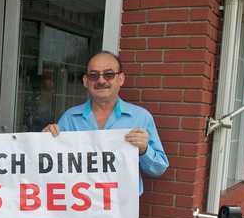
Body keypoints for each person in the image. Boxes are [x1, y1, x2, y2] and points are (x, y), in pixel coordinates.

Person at [44, 51, 168, 194]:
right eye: (93, 75)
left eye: (109, 75)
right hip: (79, 207)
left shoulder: (140, 117)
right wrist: (45, 142)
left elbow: (159, 168)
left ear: (121, 79)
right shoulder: (70, 118)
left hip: (121, 209)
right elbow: (52, 164)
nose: (101, 81)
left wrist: (144, 150)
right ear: (85, 81)